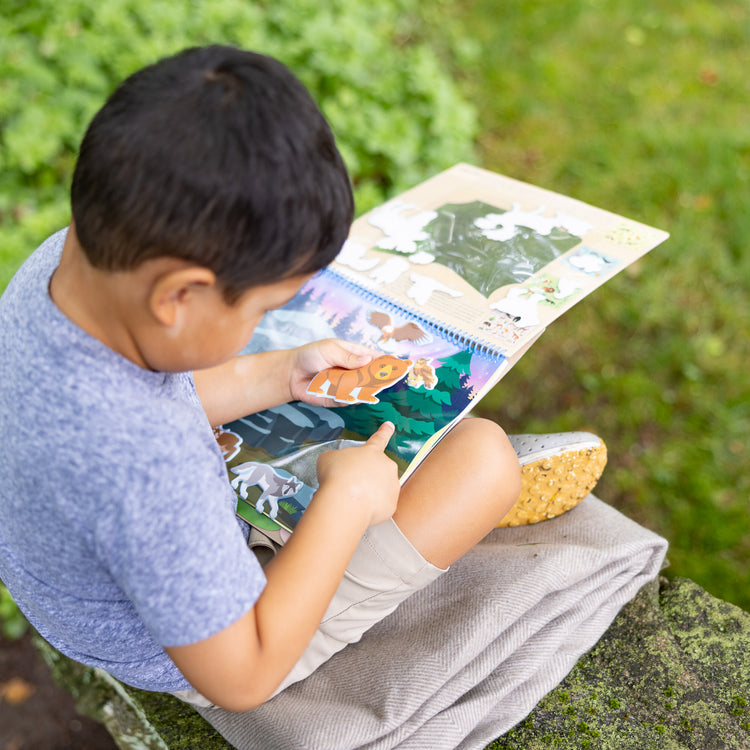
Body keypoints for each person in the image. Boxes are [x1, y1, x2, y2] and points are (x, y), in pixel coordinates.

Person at [0, 45, 592, 713]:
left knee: (396, 454)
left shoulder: (61, 270)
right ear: (177, 297)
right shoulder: (140, 466)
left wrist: (280, 370)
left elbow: (163, 403)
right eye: (262, 309)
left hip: (102, 573)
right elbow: (242, 678)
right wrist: (343, 504)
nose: (264, 321)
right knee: (482, 462)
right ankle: (430, 497)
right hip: (199, 652)